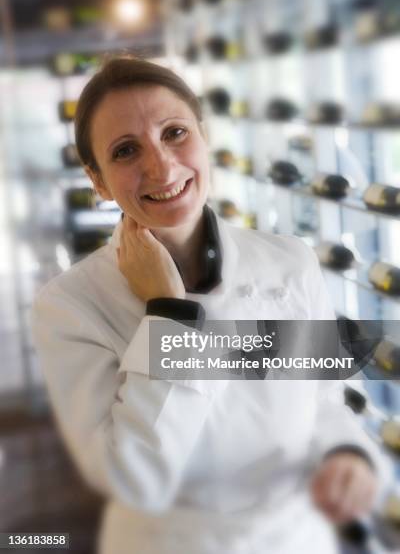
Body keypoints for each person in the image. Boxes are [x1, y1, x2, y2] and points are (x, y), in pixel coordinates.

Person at [32, 56, 387, 554]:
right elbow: (135, 478)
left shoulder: (289, 261)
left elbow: (324, 402)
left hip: (297, 537)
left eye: (174, 133)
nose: (161, 166)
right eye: (126, 150)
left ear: (203, 135)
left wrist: (346, 452)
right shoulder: (69, 307)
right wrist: (168, 314)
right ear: (97, 181)